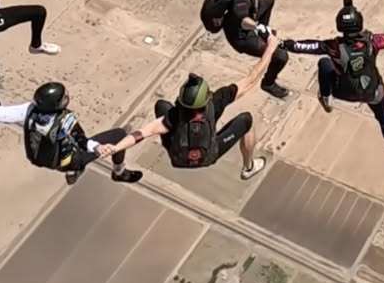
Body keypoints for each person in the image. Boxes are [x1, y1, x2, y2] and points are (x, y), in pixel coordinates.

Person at [280, 0, 384, 165]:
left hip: (344, 92)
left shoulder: (333, 47)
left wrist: (283, 44)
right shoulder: (373, 42)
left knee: (324, 63)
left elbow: (305, 46)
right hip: (373, 92)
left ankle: (326, 97)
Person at [94, 41, 281, 180]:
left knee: (161, 105)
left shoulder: (173, 116)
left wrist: (116, 147)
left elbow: (139, 134)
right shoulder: (216, 101)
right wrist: (270, 48)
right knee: (247, 120)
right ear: (207, 96)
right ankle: (248, 167)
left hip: (178, 158)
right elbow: (251, 79)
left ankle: (166, 144)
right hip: (209, 155)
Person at [0, 81, 141, 185]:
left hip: (40, 158)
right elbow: (82, 141)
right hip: (67, 161)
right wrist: (98, 147)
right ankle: (119, 172)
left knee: (68, 150)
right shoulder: (66, 120)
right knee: (119, 135)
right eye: (64, 97)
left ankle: (73, 171)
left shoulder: (29, 109)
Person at [199, 0, 290, 99]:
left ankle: (263, 36)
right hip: (241, 37)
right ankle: (268, 83)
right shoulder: (240, 2)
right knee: (280, 56)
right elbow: (243, 20)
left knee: (268, 0)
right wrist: (257, 27)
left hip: (238, 20)